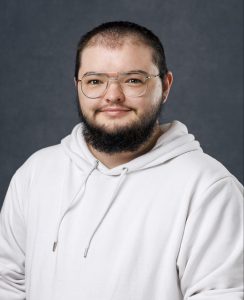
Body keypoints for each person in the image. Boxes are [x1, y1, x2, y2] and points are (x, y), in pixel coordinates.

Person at [0, 21, 243, 300]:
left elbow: (223, 294)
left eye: (133, 80)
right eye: (95, 81)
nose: (112, 95)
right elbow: (7, 282)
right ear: (77, 86)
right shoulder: (36, 173)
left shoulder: (209, 188)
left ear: (165, 86)